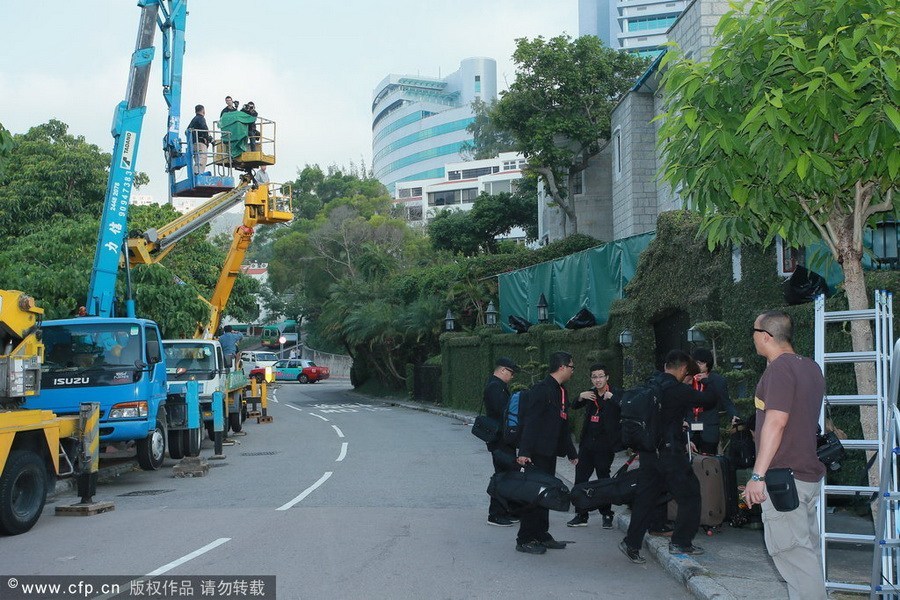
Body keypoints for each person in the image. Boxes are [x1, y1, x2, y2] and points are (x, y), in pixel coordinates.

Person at [744, 311, 826, 600]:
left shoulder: (780, 370)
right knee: (805, 556)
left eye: (754, 332)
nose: (752, 338)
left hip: (783, 479)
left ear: (766, 336)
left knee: (794, 557)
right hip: (805, 476)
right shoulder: (811, 367)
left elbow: (776, 423)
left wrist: (757, 476)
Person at [621, 350, 717, 564]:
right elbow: (709, 400)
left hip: (648, 452)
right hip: (670, 454)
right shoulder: (677, 390)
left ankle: (631, 543)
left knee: (645, 499)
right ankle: (681, 542)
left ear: (665, 366)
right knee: (690, 495)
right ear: (683, 369)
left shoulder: (651, 384)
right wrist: (707, 381)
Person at [515, 351, 578, 555]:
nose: (573, 370)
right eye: (571, 367)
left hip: (549, 452)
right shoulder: (541, 390)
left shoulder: (561, 391)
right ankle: (525, 539)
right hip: (535, 453)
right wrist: (524, 451)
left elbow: (562, 424)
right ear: (562, 367)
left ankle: (541, 534)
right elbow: (530, 422)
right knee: (534, 495)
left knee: (546, 495)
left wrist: (571, 452)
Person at [567, 363, 621, 528]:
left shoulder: (615, 393)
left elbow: (627, 406)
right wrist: (580, 396)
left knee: (603, 479)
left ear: (607, 377)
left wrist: (614, 398)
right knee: (580, 478)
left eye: (600, 376)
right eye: (594, 377)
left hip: (605, 445)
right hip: (587, 444)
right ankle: (581, 515)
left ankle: (607, 514)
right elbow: (573, 405)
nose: (598, 380)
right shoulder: (590, 394)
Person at [483, 357, 520, 527]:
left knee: (507, 474)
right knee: (502, 476)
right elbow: (502, 412)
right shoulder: (495, 387)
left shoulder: (496, 385)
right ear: (503, 370)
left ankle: (505, 511)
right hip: (500, 439)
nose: (512, 376)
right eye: (511, 373)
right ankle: (496, 514)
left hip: (502, 438)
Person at [689, 347, 740, 454]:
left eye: (701, 363)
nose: (698, 366)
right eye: (695, 363)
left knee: (709, 459)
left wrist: (734, 415)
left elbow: (726, 401)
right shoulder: (688, 379)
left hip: (709, 426)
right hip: (691, 425)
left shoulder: (718, 380)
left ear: (708, 364)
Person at [186, 104, 212, 174]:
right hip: (200, 142)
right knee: (202, 159)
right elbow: (204, 128)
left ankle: (196, 172)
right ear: (203, 111)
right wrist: (209, 138)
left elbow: (187, 131)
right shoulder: (201, 118)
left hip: (194, 143)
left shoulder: (193, 120)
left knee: (197, 159)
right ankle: (198, 173)